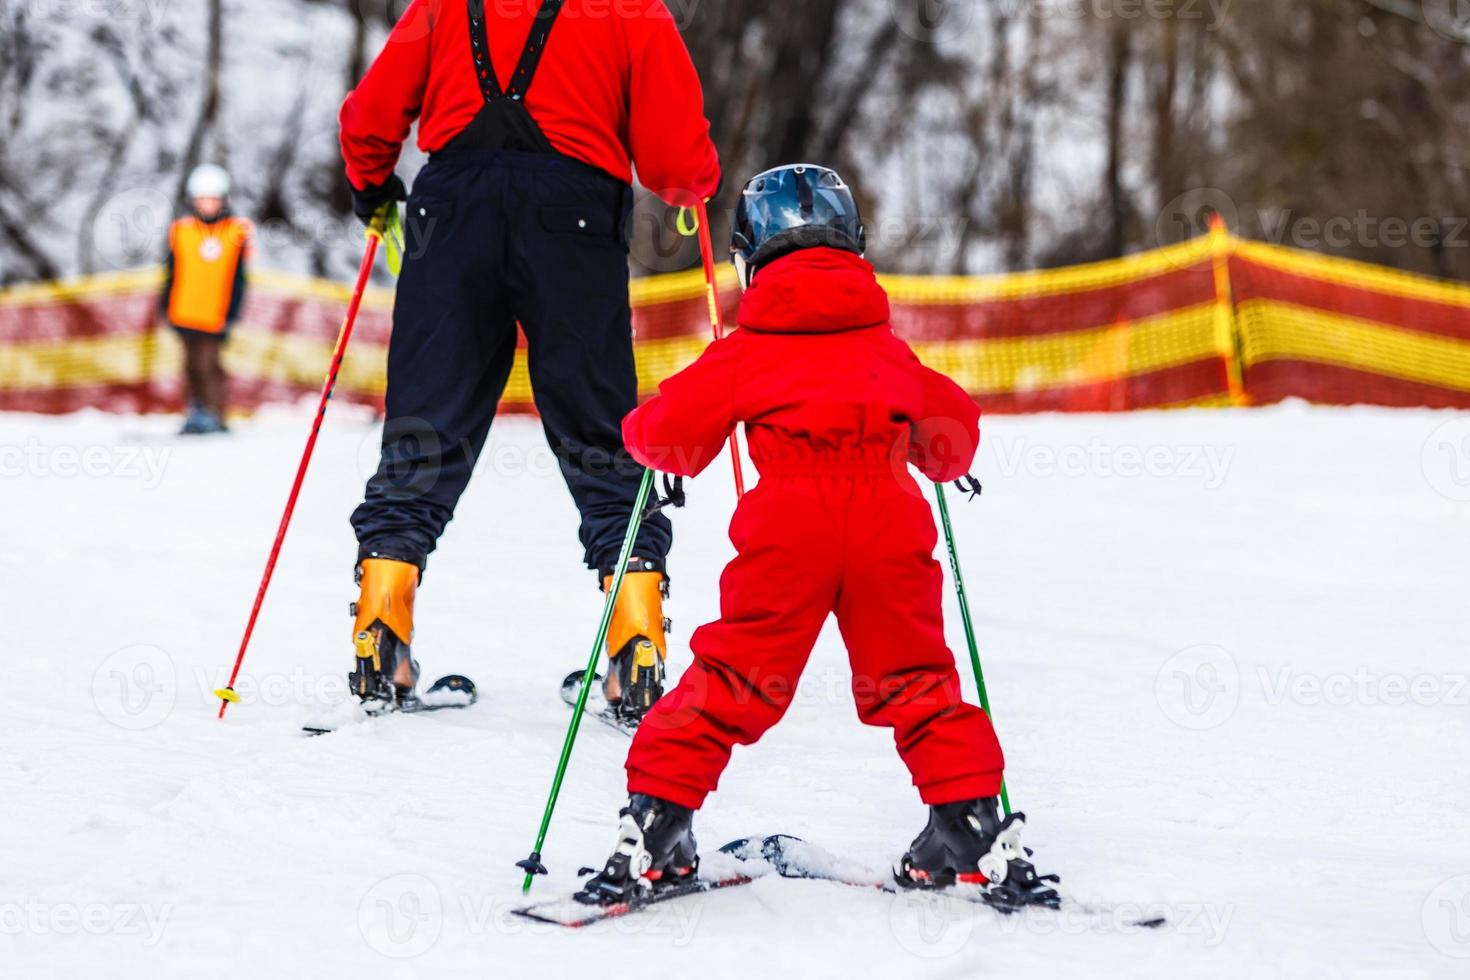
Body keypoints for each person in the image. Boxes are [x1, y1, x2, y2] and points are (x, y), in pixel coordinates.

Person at [578, 165, 1052, 905]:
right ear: (854, 248)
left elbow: (664, 432)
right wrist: (934, 453)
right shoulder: (884, 348)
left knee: (735, 675)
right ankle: (969, 819)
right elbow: (953, 431)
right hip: (888, 525)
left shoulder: (750, 348)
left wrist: (645, 441)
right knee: (915, 676)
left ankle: (658, 820)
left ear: (750, 256)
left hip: (787, 531)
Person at [337, 1, 720, 715]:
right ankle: (634, 642)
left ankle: (381, 631)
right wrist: (691, 184)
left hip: (450, 214)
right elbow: (672, 159)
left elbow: (369, 115)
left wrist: (371, 187)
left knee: (427, 420)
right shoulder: (633, 10)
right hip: (574, 216)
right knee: (600, 430)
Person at [160, 164, 252, 435]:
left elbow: (239, 278)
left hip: (215, 314)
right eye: (201, 199)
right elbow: (171, 271)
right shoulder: (182, 231)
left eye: (212, 199)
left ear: (223, 200)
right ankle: (196, 411)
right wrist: (165, 305)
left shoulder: (235, 232)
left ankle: (215, 413)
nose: (206, 205)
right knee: (189, 366)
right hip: (184, 311)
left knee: (208, 365)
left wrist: (232, 313)